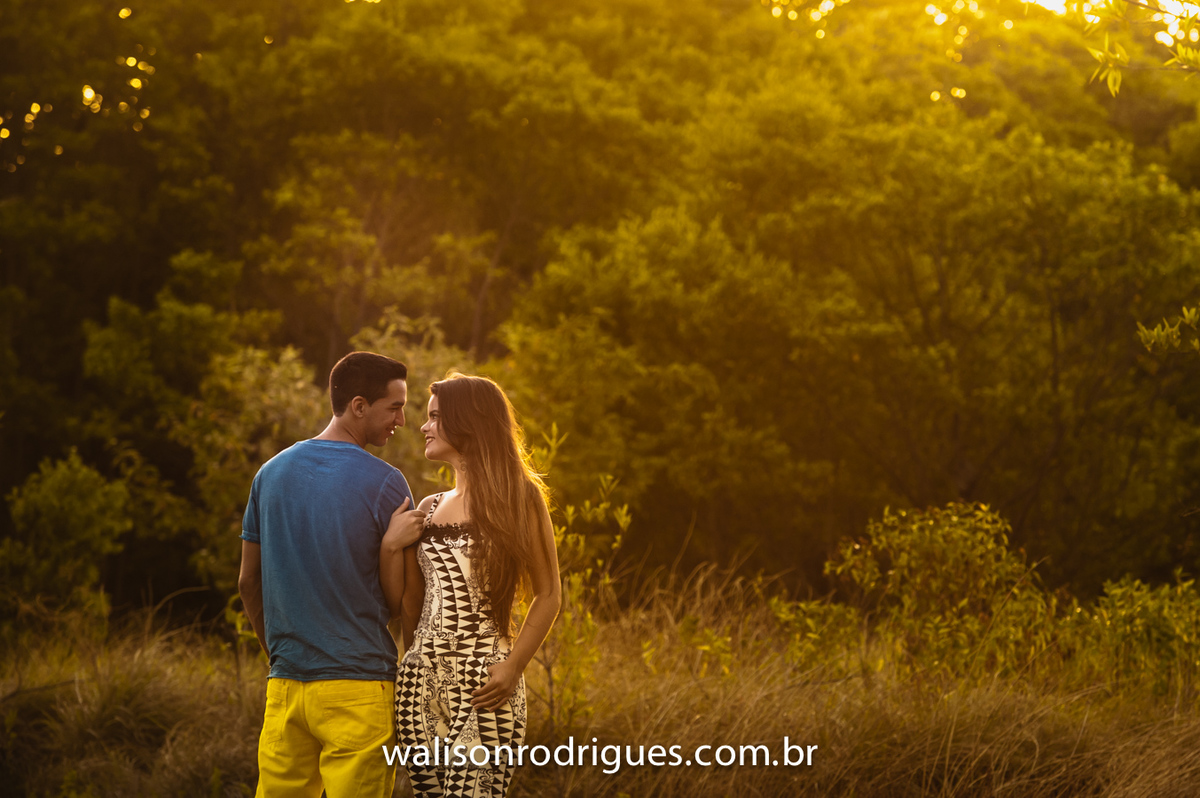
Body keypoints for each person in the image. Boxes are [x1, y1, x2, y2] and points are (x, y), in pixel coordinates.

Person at [239, 351, 427, 798]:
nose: (402, 419)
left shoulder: (269, 474)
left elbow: (248, 583)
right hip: (358, 689)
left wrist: (280, 654)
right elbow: (402, 600)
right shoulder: (387, 483)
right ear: (359, 406)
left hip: (286, 688)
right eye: (394, 407)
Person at [384, 374, 562, 797]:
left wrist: (514, 665)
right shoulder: (428, 508)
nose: (424, 427)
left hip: (486, 681)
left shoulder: (520, 496)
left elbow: (550, 594)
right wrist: (390, 546)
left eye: (434, 417)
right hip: (419, 683)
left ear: (468, 422)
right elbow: (409, 602)